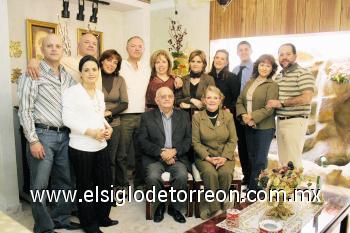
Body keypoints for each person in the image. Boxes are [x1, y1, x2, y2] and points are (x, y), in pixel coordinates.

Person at [17, 34, 79, 233]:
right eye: (49, 46)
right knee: (40, 185)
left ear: (63, 50)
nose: (54, 49)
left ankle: (61, 219)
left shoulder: (67, 76)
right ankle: (43, 227)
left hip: (65, 136)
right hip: (42, 135)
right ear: (42, 50)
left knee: (64, 181)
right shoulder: (32, 73)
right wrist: (33, 140)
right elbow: (24, 109)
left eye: (58, 46)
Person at [62, 55, 118, 233]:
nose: (91, 73)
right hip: (81, 147)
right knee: (85, 186)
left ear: (98, 72)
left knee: (104, 183)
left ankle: (103, 217)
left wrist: (108, 129)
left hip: (100, 145)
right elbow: (67, 119)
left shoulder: (99, 94)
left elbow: (99, 117)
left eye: (94, 69)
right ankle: (89, 224)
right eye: (86, 70)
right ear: (81, 73)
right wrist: (90, 132)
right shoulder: (72, 92)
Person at [138, 87, 191, 223]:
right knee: (153, 176)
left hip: (177, 157)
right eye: (163, 96)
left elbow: (188, 140)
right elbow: (142, 141)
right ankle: (160, 205)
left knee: (181, 175)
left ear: (174, 99)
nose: (167, 98)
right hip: (155, 158)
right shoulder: (146, 117)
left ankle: (174, 208)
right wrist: (162, 154)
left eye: (170, 96)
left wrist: (174, 152)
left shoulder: (184, 116)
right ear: (156, 100)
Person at [192, 86, 237, 220]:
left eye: (215, 98)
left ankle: (222, 204)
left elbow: (233, 139)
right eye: (209, 97)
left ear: (220, 100)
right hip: (205, 156)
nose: (212, 100)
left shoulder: (228, 116)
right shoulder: (197, 117)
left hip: (225, 155)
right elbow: (195, 142)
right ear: (204, 100)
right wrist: (208, 158)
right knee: (210, 173)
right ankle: (215, 209)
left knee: (225, 173)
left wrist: (224, 157)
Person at [267, 43, 315, 168]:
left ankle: (295, 187)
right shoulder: (278, 76)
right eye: (281, 54)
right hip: (281, 121)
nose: (284, 57)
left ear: (295, 56)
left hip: (295, 121)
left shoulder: (303, 73)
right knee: (283, 161)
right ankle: (286, 187)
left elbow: (307, 98)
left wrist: (282, 103)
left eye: (288, 54)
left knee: (293, 161)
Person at [236, 54, 279, 192]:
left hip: (264, 127)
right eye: (262, 64)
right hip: (248, 125)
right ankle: (252, 186)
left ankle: (256, 190)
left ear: (272, 69)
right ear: (257, 66)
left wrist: (252, 117)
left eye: (268, 65)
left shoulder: (272, 85)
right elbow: (240, 100)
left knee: (260, 159)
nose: (264, 68)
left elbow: (269, 108)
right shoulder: (250, 82)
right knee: (251, 157)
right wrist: (243, 115)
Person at [26, 33, 103, 90]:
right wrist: (33, 61)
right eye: (87, 42)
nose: (91, 45)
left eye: (94, 44)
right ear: (78, 45)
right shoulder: (66, 61)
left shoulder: (98, 66)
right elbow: (49, 59)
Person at [99, 49, 129, 191]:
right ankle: (101, 187)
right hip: (96, 124)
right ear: (102, 60)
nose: (112, 64)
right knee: (100, 159)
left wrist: (109, 113)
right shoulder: (94, 76)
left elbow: (124, 103)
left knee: (113, 158)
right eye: (109, 60)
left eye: (115, 62)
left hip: (114, 123)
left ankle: (111, 190)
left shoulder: (120, 80)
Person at [232, 41, 254, 186]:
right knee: (242, 146)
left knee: (252, 146)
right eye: (241, 50)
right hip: (237, 113)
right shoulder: (234, 70)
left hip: (251, 113)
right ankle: (246, 176)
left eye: (246, 49)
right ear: (237, 53)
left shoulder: (256, 69)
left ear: (251, 51)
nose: (243, 52)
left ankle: (254, 178)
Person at [176, 49, 215, 116]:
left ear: (203, 64)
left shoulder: (209, 79)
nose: (195, 64)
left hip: (203, 117)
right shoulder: (182, 79)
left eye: (198, 62)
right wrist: (191, 100)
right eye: (193, 61)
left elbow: (212, 102)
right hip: (184, 117)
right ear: (189, 63)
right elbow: (176, 100)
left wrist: (189, 106)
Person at [208, 49, 240, 114]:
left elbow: (237, 98)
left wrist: (230, 109)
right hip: (209, 112)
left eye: (222, 59)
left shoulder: (232, 77)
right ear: (214, 59)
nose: (219, 60)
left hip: (225, 113)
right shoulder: (208, 76)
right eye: (217, 58)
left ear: (226, 63)